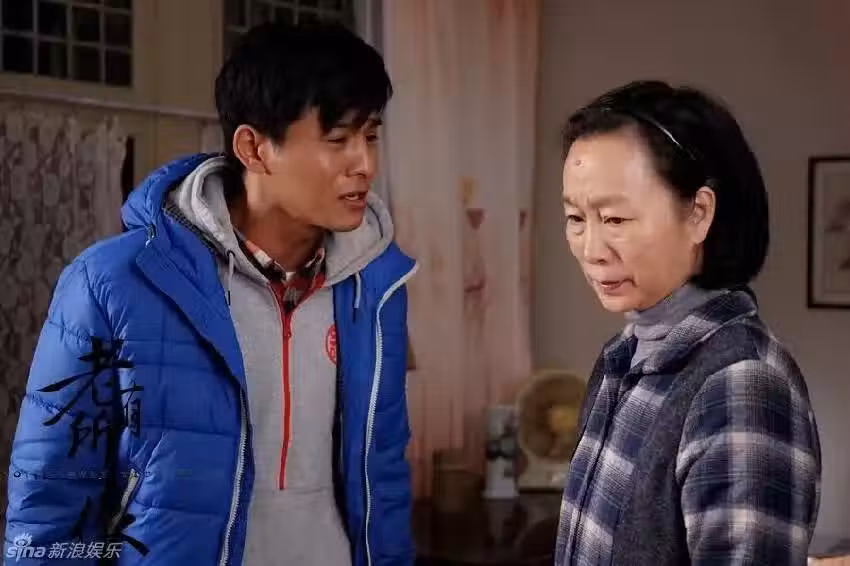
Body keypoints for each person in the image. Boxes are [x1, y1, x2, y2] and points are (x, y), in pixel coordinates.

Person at [5, 20, 416, 566]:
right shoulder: (112, 282)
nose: (364, 164)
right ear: (253, 148)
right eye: (338, 140)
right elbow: (50, 501)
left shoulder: (377, 287)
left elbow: (384, 477)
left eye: (371, 136)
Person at [554, 80, 820, 565]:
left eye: (614, 220)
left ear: (698, 213)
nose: (591, 250)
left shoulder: (740, 384)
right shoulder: (621, 359)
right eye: (575, 218)